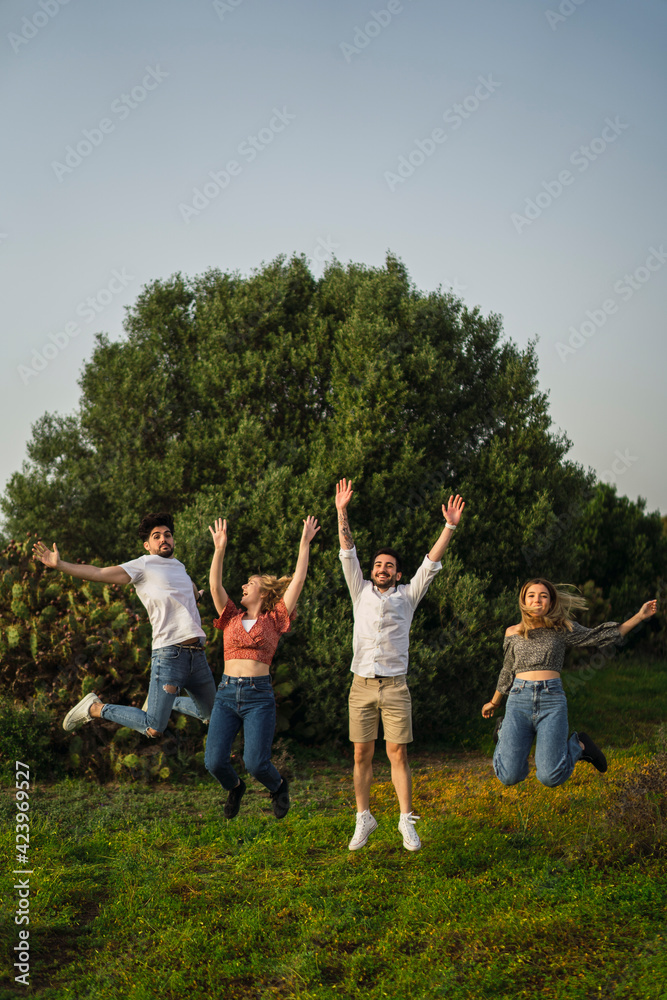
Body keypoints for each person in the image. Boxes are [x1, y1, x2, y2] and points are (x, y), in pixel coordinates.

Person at [335, 477, 465, 852]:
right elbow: (348, 550)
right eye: (377, 564)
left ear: (397, 572)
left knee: (398, 753)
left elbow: (432, 560)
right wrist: (342, 510)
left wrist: (450, 526)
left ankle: (406, 820)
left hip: (395, 687)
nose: (381, 568)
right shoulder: (359, 590)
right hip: (360, 685)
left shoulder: (408, 595)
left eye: (388, 565)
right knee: (361, 754)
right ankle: (364, 818)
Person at [32, 513, 216, 738]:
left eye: (167, 535)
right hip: (170, 654)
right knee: (154, 728)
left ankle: (166, 701)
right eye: (156, 536)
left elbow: (188, 593)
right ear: (147, 545)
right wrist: (61, 565)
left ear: (173, 540)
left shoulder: (180, 568)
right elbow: (98, 573)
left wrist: (196, 595)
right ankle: (96, 708)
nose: (163, 539)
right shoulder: (144, 565)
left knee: (212, 715)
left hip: (197, 655)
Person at [482, 578, 657, 786]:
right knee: (509, 776)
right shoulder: (513, 632)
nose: (537, 600)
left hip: (551, 701)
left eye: (543, 596)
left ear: (550, 602)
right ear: (524, 602)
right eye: (531, 596)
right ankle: (503, 731)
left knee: (549, 777)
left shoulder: (562, 628)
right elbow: (508, 669)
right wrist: (494, 702)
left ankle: (580, 746)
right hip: (518, 700)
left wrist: (639, 616)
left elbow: (600, 637)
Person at [205, 514, 320, 819]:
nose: (243, 586)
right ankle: (235, 787)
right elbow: (214, 586)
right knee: (214, 762)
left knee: (256, 762)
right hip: (227, 694)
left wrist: (304, 544)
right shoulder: (229, 615)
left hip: (259, 696)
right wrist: (220, 549)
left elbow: (298, 580)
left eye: (250, 583)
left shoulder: (275, 618)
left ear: (264, 592)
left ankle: (278, 786)